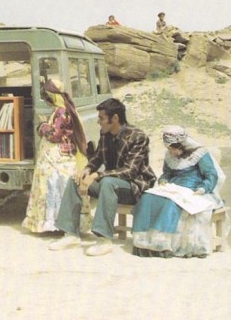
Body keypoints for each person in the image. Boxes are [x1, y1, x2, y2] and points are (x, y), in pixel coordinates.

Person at [48, 98, 156, 256]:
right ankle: (70, 233)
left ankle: (103, 239)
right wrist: (87, 169)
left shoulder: (138, 137)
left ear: (115, 119)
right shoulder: (105, 133)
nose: (99, 122)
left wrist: (98, 175)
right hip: (111, 184)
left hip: (134, 187)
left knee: (107, 182)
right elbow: (98, 157)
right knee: (75, 180)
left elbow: (130, 171)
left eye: (101, 118)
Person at [132, 126, 226, 258]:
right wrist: (164, 180)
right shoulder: (170, 155)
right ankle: (144, 244)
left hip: (193, 189)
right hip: (173, 188)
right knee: (148, 198)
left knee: (170, 203)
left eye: (173, 148)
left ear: (182, 145)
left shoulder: (199, 154)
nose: (171, 151)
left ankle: (164, 245)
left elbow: (211, 175)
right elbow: (167, 173)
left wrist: (203, 188)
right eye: (169, 148)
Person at [22, 79, 89, 233]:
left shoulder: (62, 111)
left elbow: (55, 135)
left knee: (52, 185)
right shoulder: (64, 109)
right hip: (59, 155)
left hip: (57, 157)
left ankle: (58, 223)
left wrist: (42, 126)